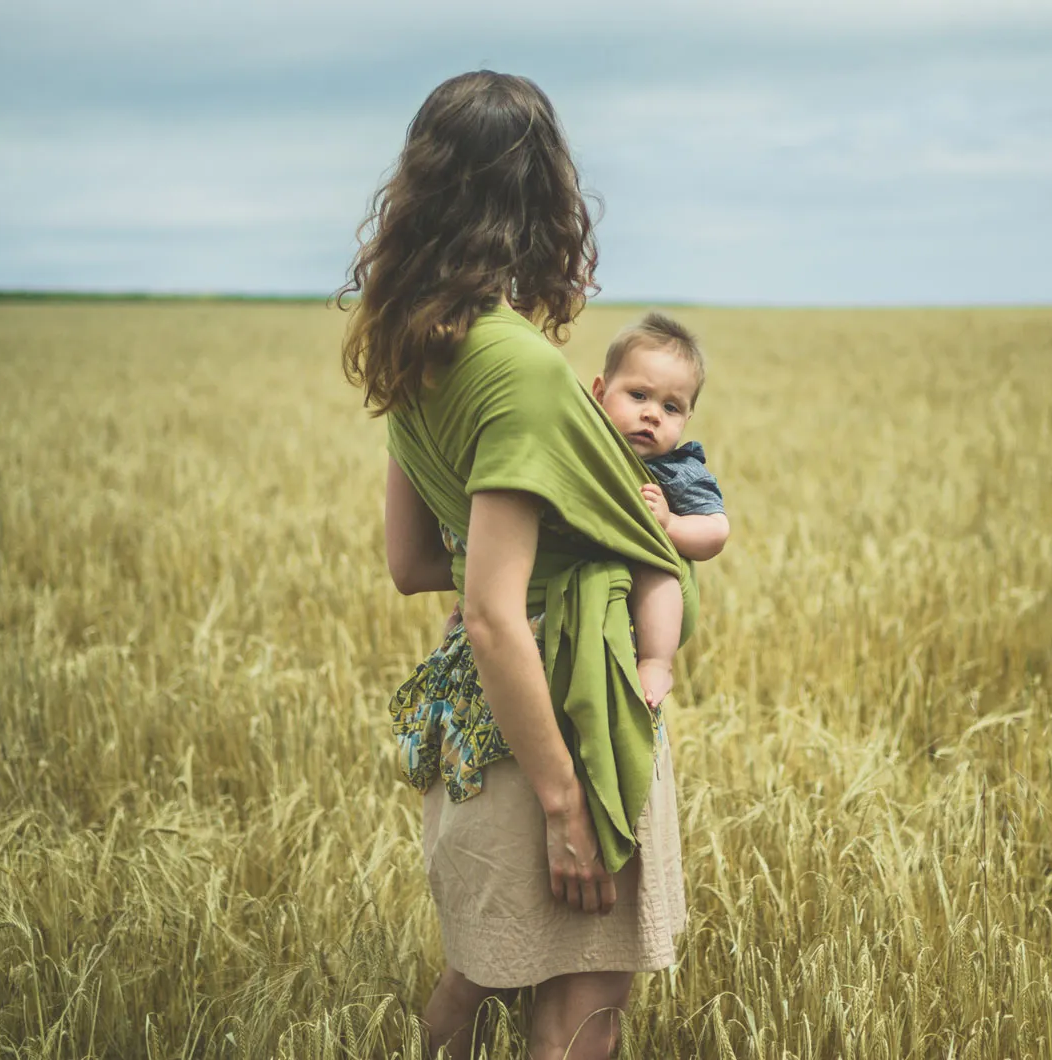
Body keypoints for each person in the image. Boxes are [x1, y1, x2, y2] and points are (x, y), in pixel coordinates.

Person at [339, 71, 693, 1060]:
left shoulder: (419, 352)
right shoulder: (528, 371)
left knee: (477, 991)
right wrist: (566, 805)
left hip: (476, 735)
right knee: (576, 1022)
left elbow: (415, 564)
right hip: (563, 728)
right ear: (544, 199)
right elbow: (494, 614)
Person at [591, 313, 730, 711]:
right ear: (599, 392)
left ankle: (655, 661)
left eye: (671, 407)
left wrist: (670, 525)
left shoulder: (677, 471)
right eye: (638, 396)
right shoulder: (586, 449)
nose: (652, 414)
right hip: (580, 576)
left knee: (655, 569)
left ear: (687, 420)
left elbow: (716, 530)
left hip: (638, 585)